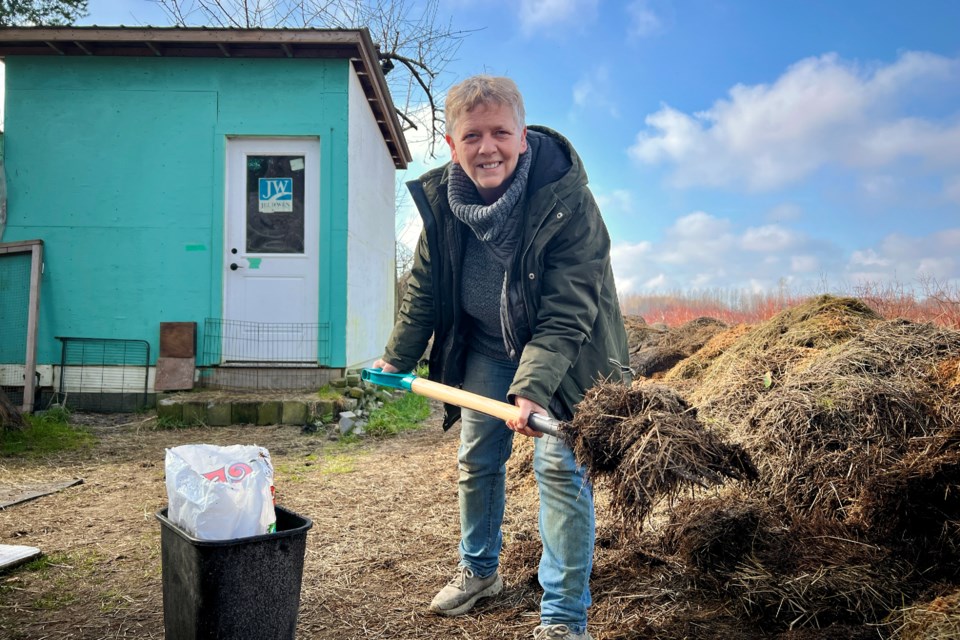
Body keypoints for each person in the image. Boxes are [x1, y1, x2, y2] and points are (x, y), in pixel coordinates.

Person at [373, 74, 630, 640]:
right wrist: (398, 358)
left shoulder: (567, 201)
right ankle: (479, 571)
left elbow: (569, 309)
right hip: (489, 346)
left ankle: (564, 617)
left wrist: (532, 387)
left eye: (499, 133)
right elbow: (425, 288)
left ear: (523, 139)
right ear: (451, 143)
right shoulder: (442, 202)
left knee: (560, 470)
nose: (486, 147)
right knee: (477, 458)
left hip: (568, 353)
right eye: (472, 136)